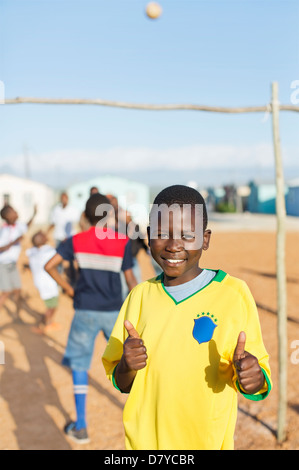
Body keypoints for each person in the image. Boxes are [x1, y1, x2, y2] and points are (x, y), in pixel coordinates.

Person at [102, 184, 272, 450]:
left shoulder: (233, 294)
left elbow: (256, 379)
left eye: (187, 234)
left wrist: (254, 377)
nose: (173, 246)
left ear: (205, 239)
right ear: (148, 237)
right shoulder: (139, 296)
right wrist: (127, 364)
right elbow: (122, 383)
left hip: (206, 442)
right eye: (161, 234)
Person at [45, 192, 137, 444]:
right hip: (113, 312)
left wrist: (70, 288)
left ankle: (82, 425)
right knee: (130, 362)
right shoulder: (122, 241)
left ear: (84, 216)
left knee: (79, 365)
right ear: (109, 215)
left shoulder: (75, 240)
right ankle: (144, 416)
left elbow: (49, 265)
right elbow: (130, 280)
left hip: (85, 309)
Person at [0, 204, 37, 319]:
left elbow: (26, 226)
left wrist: (34, 214)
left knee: (17, 291)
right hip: (3, 265)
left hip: (12, 264)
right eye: (13, 212)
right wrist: (14, 241)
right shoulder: (4, 230)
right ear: (7, 217)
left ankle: (17, 316)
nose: (16, 213)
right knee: (6, 292)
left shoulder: (18, 226)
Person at [26, 231, 60, 334]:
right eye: (44, 236)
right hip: (49, 283)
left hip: (40, 282)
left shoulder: (31, 251)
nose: (46, 236)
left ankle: (49, 322)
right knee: (52, 306)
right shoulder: (50, 251)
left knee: (51, 304)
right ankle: (42, 324)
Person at [48, 192, 80, 285]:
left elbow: (75, 224)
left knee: (71, 260)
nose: (64, 200)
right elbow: (53, 222)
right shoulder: (56, 210)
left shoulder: (73, 210)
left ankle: (73, 280)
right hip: (58, 237)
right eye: (62, 198)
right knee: (58, 260)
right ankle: (58, 280)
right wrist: (46, 232)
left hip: (69, 239)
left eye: (65, 198)